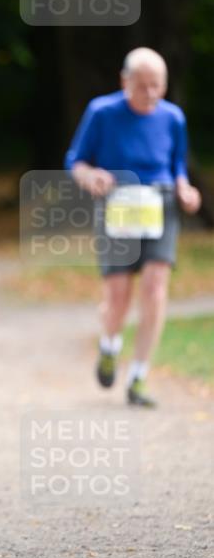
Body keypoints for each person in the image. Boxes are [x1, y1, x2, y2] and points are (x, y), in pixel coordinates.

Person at [65, 47, 202, 407]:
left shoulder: (173, 117)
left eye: (157, 86)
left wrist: (185, 189)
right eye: (142, 86)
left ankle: (139, 376)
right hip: (118, 204)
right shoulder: (102, 112)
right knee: (118, 295)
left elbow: (178, 166)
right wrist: (91, 175)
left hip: (161, 205)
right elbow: (75, 161)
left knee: (156, 286)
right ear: (124, 81)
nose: (151, 94)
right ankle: (109, 344)